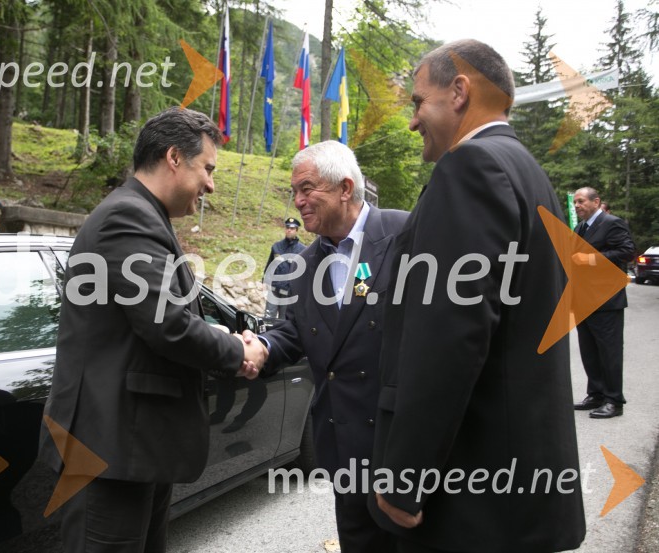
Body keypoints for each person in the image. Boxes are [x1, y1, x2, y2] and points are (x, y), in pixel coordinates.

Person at [368, 40, 585, 553]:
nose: (412, 121)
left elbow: (449, 338)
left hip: (474, 495)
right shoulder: (527, 171)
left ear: (459, 92)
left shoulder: (470, 169)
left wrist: (405, 479)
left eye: (418, 102)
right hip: (519, 485)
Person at [40, 107, 265, 553]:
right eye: (208, 168)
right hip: (110, 450)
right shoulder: (129, 217)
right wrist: (239, 352)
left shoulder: (143, 215)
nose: (211, 184)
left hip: (133, 447)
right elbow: (170, 325)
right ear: (174, 158)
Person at [248, 140, 408, 553]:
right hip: (343, 448)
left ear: (344, 188)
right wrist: (261, 345)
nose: (298, 202)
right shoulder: (303, 264)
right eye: (294, 191)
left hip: (404, 445)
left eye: (307, 189)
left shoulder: (407, 235)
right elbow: (294, 332)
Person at [572, 187, 635, 418]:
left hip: (606, 300)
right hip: (583, 299)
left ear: (596, 201)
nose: (577, 205)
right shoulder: (580, 227)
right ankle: (596, 394)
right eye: (575, 202)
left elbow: (627, 251)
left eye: (581, 201)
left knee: (609, 352)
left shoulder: (612, 223)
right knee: (589, 351)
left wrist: (589, 259)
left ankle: (613, 401)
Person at [263, 217, 306, 318]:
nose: (289, 230)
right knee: (268, 317)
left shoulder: (303, 250)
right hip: (274, 288)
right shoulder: (276, 246)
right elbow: (270, 265)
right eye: (287, 228)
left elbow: (304, 272)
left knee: (284, 320)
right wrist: (265, 280)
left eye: (292, 228)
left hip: (289, 291)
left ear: (296, 230)